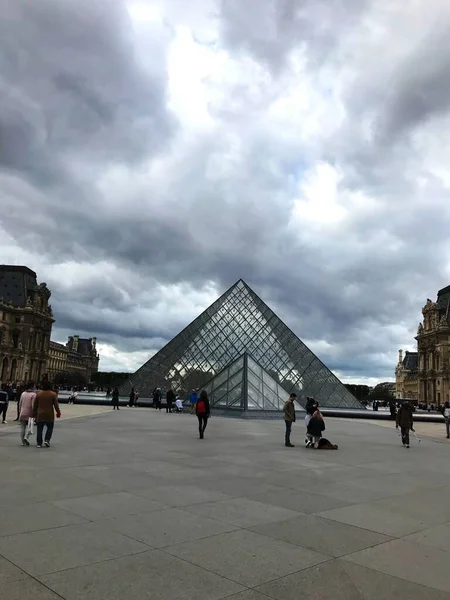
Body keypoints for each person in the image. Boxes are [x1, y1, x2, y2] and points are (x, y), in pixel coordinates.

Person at [33, 381, 61, 448]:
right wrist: (58, 412)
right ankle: (47, 440)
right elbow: (56, 405)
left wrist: (34, 413)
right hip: (49, 414)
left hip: (40, 414)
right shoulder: (53, 394)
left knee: (39, 429)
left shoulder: (39, 394)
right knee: (50, 427)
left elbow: (35, 405)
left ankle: (39, 443)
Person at [18, 381, 36, 446]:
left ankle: (22, 441)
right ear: (32, 386)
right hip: (30, 413)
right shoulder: (33, 395)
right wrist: (34, 413)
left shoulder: (23, 393)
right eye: (34, 385)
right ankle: (26, 437)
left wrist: (20, 411)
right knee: (30, 427)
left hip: (23, 412)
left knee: (22, 427)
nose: (35, 387)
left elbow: (20, 403)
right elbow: (33, 405)